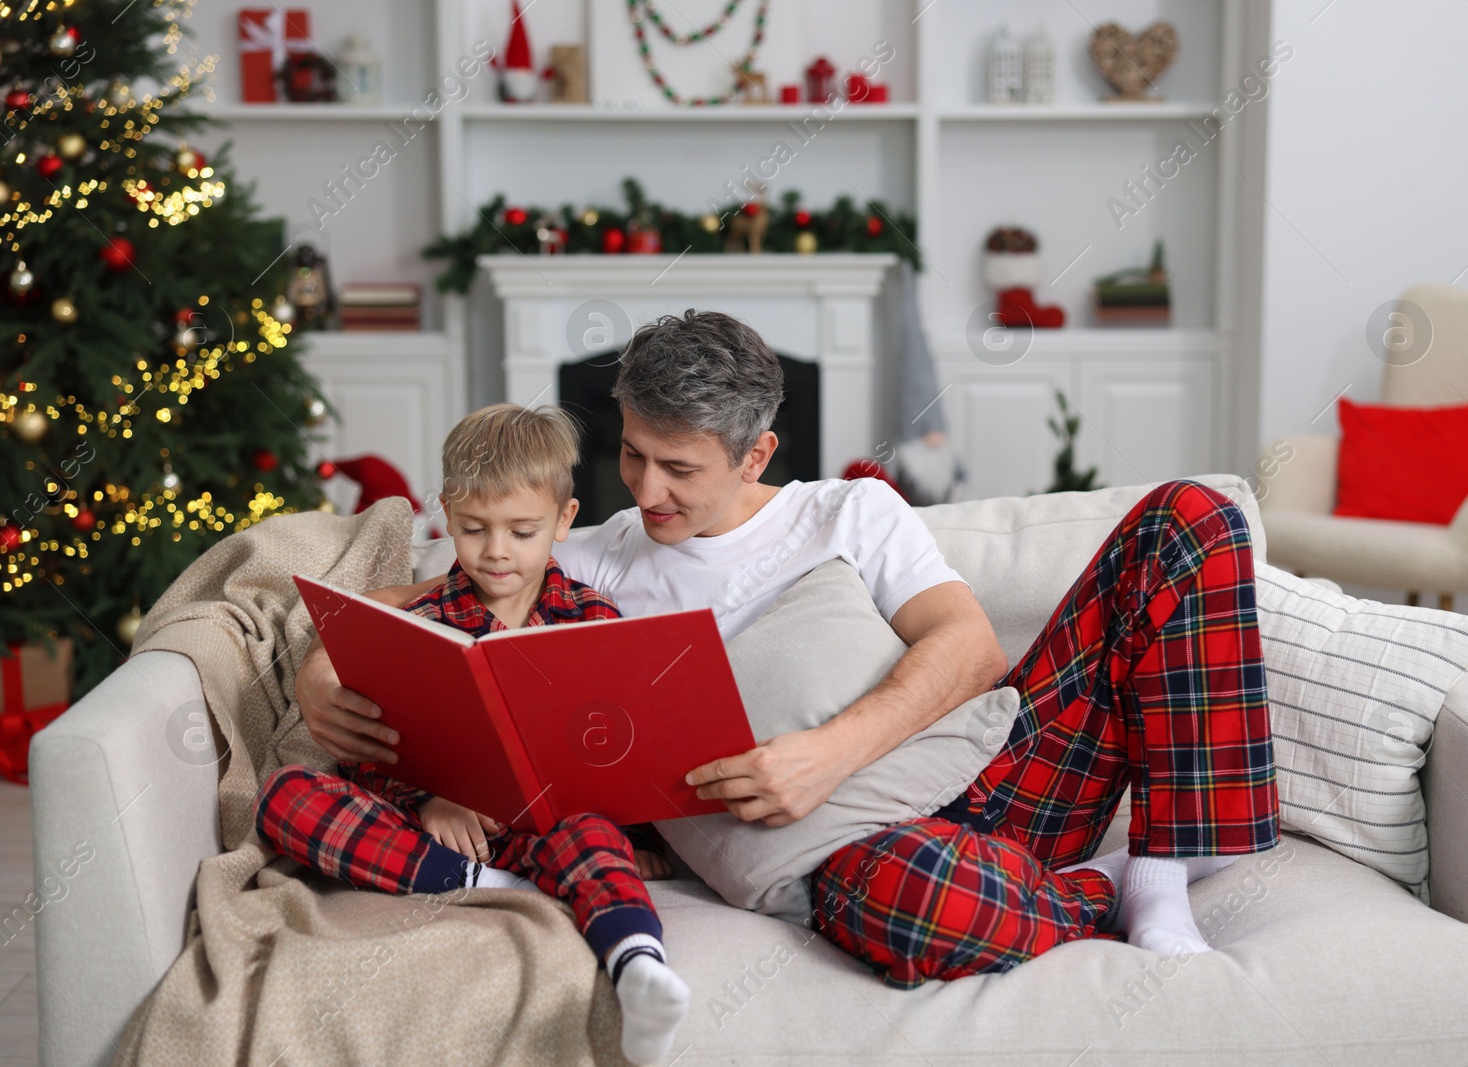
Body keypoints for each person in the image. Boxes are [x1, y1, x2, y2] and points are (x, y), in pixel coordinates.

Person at [294, 310, 1280, 990]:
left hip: (999, 778)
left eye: (679, 468)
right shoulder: (590, 555)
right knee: (920, 905)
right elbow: (404, 592)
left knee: (1190, 515)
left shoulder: (849, 511)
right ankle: (1081, 891)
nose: (644, 488)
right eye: (632, 452)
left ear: (757, 453)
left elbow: (969, 647)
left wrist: (828, 751)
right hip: (859, 850)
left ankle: (1157, 867)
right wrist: (320, 665)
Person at [256, 404, 688, 1064]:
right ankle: (487, 883)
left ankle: (638, 964)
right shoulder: (418, 620)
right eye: (473, 528)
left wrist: (636, 838)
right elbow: (374, 748)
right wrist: (432, 800)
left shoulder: (591, 618)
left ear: (564, 522)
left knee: (595, 838)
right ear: (447, 514)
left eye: (521, 531)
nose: (496, 551)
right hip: (442, 834)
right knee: (288, 797)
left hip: (555, 828)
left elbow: (620, 746)